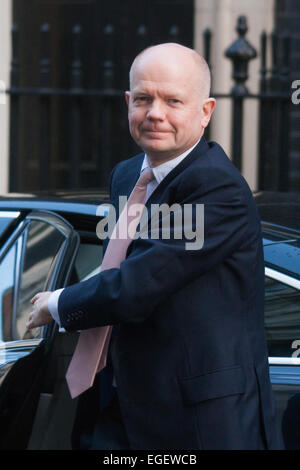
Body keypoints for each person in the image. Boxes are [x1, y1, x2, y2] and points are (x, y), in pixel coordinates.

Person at [26, 43, 284, 450]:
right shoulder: (127, 174)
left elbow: (137, 283)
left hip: (197, 421)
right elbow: (125, 256)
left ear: (206, 112)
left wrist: (56, 303)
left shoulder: (216, 186)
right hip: (118, 405)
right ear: (128, 103)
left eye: (173, 101)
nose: (155, 113)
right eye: (143, 99)